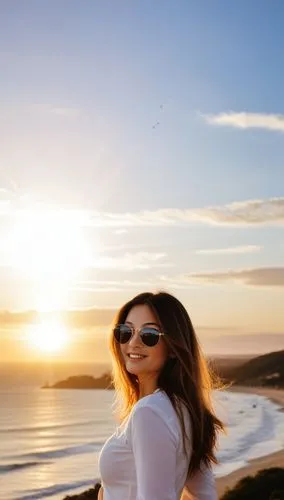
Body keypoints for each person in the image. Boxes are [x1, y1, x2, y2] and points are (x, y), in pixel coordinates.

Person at [98, 291, 225, 499]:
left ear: (174, 348)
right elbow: (205, 495)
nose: (133, 342)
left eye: (149, 335)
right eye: (125, 332)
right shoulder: (185, 410)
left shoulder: (148, 413)